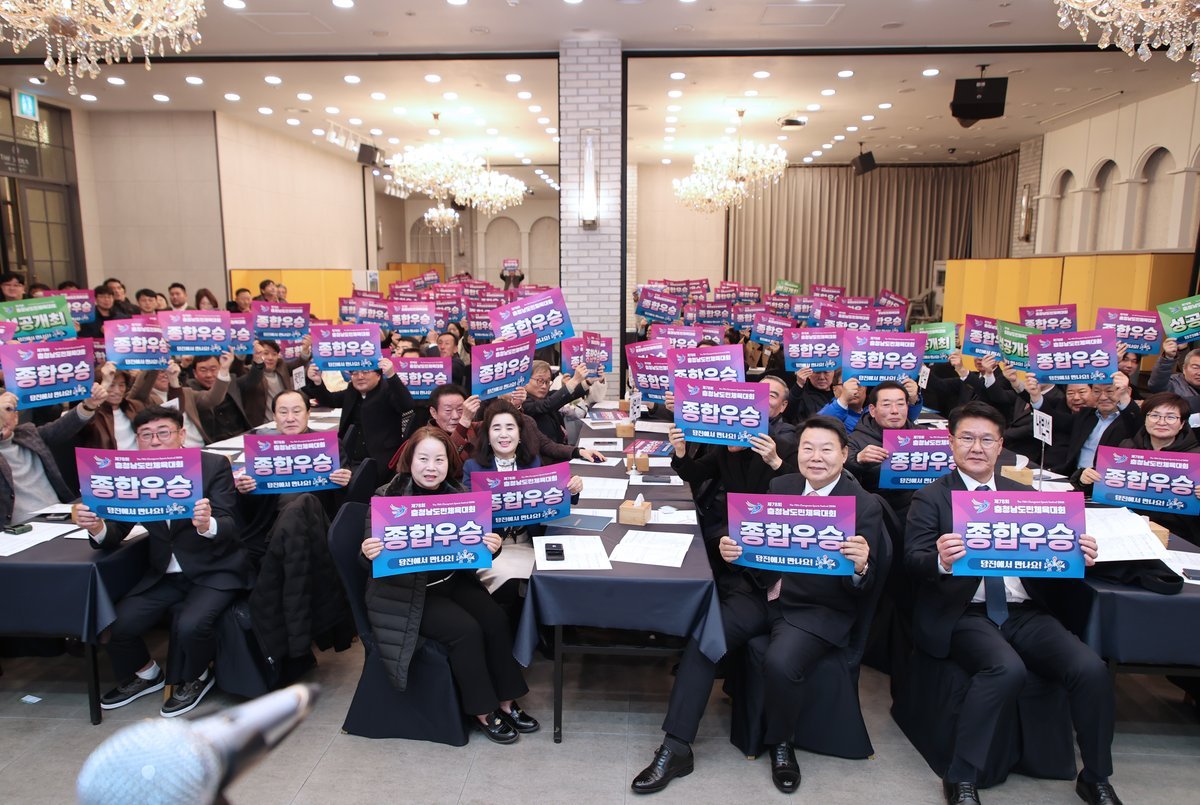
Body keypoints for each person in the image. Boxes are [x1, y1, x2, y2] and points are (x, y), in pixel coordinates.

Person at [632, 415, 881, 795]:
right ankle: (676, 747)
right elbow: (753, 540)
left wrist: (861, 566)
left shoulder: (863, 504)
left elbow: (867, 581)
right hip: (760, 593)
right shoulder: (782, 485)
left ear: (844, 454)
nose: (816, 457)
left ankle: (781, 742)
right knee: (705, 640)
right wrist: (732, 549)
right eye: (808, 448)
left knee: (779, 662)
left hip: (815, 608)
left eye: (826, 449)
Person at [903, 401, 1118, 805]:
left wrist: (1077, 554)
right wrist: (941, 560)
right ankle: (962, 775)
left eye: (987, 439)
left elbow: (1051, 562)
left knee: (1090, 669)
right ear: (951, 442)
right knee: (1006, 669)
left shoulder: (1025, 497)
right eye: (967, 438)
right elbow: (913, 561)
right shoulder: (931, 497)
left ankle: (1096, 776)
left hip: (1025, 612)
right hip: (964, 613)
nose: (977, 447)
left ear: (1001, 445)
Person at [360, 426, 537, 743]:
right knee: (466, 631)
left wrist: (492, 547)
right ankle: (482, 710)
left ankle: (506, 700)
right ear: (410, 460)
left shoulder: (459, 496)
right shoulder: (387, 497)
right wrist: (367, 552)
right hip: (407, 594)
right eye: (423, 459)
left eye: (439, 460)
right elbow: (367, 562)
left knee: (495, 618)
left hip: (452, 581)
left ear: (449, 462)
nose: (431, 467)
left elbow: (473, 551)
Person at [76, 405, 248, 718]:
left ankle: (198, 676)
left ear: (182, 434)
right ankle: (147, 673)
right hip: (164, 574)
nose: (155, 441)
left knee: (190, 625)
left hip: (213, 569)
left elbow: (230, 524)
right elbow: (116, 531)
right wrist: (96, 527)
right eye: (146, 435)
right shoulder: (130, 473)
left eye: (163, 433)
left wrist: (206, 524)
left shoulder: (211, 466)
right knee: (111, 624)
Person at [461, 398, 583, 593]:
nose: (504, 434)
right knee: (513, 580)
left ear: (519, 434)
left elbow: (550, 498)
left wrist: (572, 489)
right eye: (496, 428)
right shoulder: (473, 467)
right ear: (487, 435)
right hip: (493, 548)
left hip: (528, 542)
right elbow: (467, 515)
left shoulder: (532, 463)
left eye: (510, 428)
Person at [234, 389, 352, 558]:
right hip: (270, 523)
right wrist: (246, 490)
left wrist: (344, 480)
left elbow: (342, 497)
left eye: (297, 411)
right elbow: (253, 506)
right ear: (274, 417)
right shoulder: (261, 449)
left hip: (314, 524)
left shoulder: (327, 446)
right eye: (283, 412)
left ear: (308, 413)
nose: (290, 418)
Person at [1078, 391, 1200, 546]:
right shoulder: (1126, 447)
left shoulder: (1196, 457)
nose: (1161, 422)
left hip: (1178, 536)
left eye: (1170, 417)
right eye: (1154, 415)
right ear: (1145, 419)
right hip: (1124, 528)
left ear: (1182, 423)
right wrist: (1084, 479)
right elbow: (1100, 485)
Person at [0, 386, 106, 527]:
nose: (2, 417)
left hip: (60, 517)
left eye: (7, 409)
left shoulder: (28, 434)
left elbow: (63, 426)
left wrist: (89, 405)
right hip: (20, 529)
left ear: (16, 416)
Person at [303, 356, 415, 478]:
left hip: (381, 458)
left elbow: (407, 405)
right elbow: (331, 400)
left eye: (365, 372)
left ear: (378, 375)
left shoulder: (388, 390)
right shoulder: (352, 390)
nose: (360, 377)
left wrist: (391, 375)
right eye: (354, 373)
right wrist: (317, 382)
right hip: (350, 455)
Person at [1026, 370, 1142, 478]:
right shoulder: (1086, 416)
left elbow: (1136, 421)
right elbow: (1054, 419)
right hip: (1074, 479)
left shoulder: (1129, 420)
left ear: (1127, 392)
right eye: (1096, 391)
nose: (1103, 397)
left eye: (1110, 391)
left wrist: (1124, 396)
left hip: (1104, 482)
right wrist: (1036, 396)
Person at [846, 379, 925, 522]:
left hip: (921, 513)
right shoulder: (855, 440)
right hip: (876, 515)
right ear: (872, 410)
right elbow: (840, 470)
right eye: (886, 405)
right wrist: (857, 459)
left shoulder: (924, 436)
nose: (895, 411)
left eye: (900, 404)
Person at [131, 354, 234, 445]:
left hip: (200, 447)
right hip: (172, 453)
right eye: (161, 371)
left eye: (168, 369)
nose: (165, 374)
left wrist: (224, 369)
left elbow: (213, 399)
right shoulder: (144, 399)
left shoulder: (186, 392)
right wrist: (153, 363)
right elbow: (138, 393)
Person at [820, 374, 923, 434]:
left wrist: (913, 399)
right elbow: (821, 425)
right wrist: (843, 399)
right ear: (834, 389)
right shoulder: (832, 410)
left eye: (859, 384)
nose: (855, 389)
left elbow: (905, 418)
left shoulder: (870, 410)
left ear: (866, 388)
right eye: (846, 385)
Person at [522, 360, 591, 445]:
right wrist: (574, 380)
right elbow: (548, 404)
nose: (544, 386)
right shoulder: (522, 402)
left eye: (547, 382)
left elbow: (567, 396)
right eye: (540, 380)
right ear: (525, 380)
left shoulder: (546, 396)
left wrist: (589, 382)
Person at [78, 363, 143, 450]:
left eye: (121, 385)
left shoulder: (135, 407)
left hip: (136, 458)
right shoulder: (90, 415)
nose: (117, 391)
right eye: (111, 385)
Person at [1148, 338, 1200, 417]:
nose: (1199, 373)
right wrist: (1168, 357)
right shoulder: (1174, 384)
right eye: (1195, 367)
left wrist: (1183, 349)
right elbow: (1157, 384)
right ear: (1184, 369)